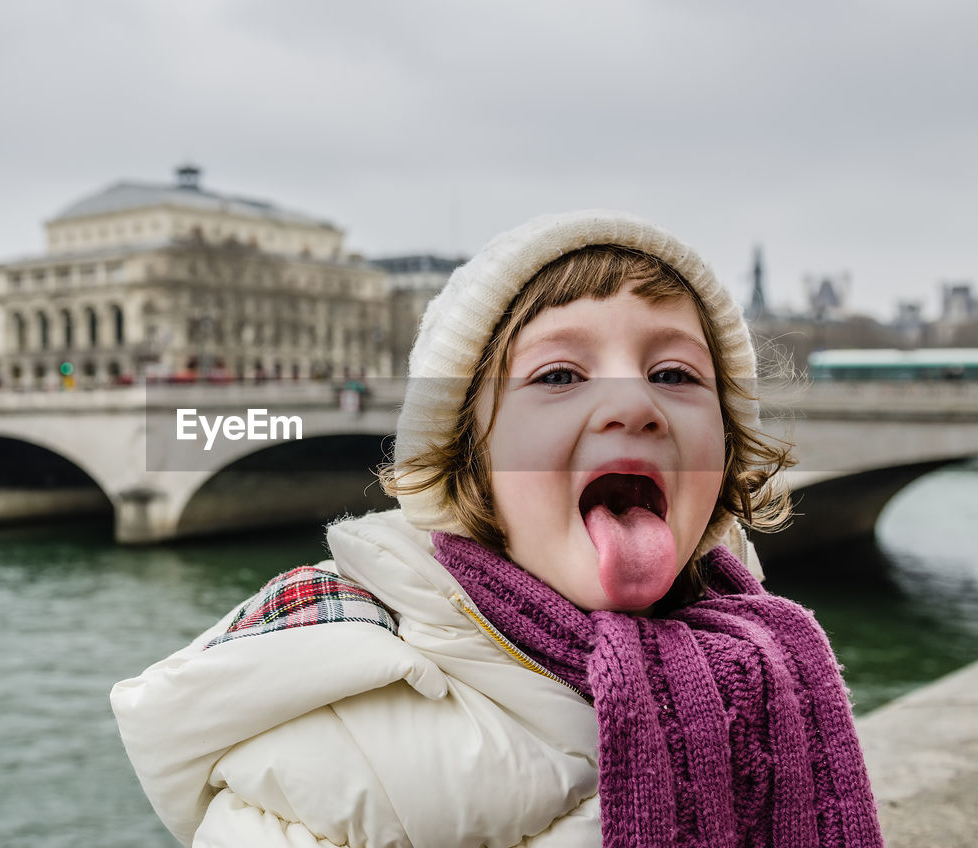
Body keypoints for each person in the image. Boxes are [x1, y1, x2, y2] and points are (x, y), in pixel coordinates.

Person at [111, 210, 883, 847]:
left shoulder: (763, 665)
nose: (634, 405)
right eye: (558, 376)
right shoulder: (329, 748)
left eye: (675, 375)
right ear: (467, 459)